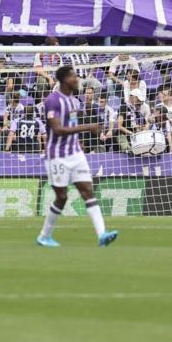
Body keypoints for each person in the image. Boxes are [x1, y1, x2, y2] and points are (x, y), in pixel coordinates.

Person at [35, 64, 118, 249]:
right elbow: (56, 129)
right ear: (65, 79)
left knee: (88, 191)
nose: (77, 79)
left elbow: (70, 125)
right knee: (62, 197)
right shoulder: (53, 101)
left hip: (76, 153)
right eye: (74, 76)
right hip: (57, 156)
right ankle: (44, 235)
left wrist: (78, 140)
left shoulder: (74, 101)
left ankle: (102, 234)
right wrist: (87, 127)